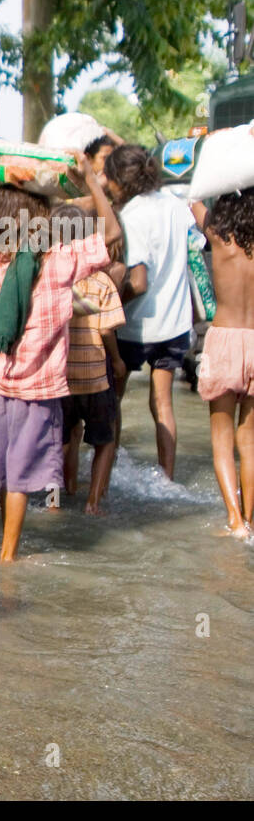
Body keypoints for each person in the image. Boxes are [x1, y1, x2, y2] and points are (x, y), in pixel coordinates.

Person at [0, 170, 114, 562]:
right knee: (22, 479)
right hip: (40, 391)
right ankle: (7, 556)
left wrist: (1, 181)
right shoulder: (57, 264)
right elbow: (109, 235)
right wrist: (92, 182)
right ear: (39, 222)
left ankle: (3, 545)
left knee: (5, 475)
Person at [104, 144, 195, 480]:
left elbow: (138, 282)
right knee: (163, 404)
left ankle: (106, 472)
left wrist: (109, 306)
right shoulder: (175, 204)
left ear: (119, 181)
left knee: (113, 399)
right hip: (175, 323)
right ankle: (167, 478)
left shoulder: (132, 216)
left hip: (136, 326)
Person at [55, 202, 127, 515]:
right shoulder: (101, 281)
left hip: (61, 377)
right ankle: (93, 503)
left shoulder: (49, 281)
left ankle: (56, 498)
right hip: (95, 377)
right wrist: (118, 361)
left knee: (61, 440)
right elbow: (107, 330)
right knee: (104, 440)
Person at [194, 190, 254, 535]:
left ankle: (234, 519)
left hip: (226, 339)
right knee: (249, 442)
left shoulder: (216, 232)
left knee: (222, 438)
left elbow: (193, 198)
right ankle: (249, 519)